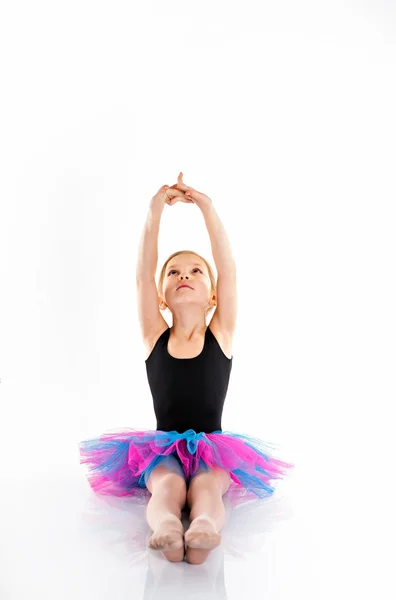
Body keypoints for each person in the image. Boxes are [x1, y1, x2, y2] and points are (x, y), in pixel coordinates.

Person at [79, 172, 294, 565]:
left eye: (196, 271)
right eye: (174, 272)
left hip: (215, 447)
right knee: (166, 485)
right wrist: (153, 210)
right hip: (161, 446)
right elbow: (143, 275)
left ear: (213, 294)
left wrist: (207, 208)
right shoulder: (154, 336)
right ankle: (165, 527)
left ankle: (204, 527)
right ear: (161, 298)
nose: (184, 276)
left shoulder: (222, 333)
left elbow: (228, 271)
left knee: (210, 487)